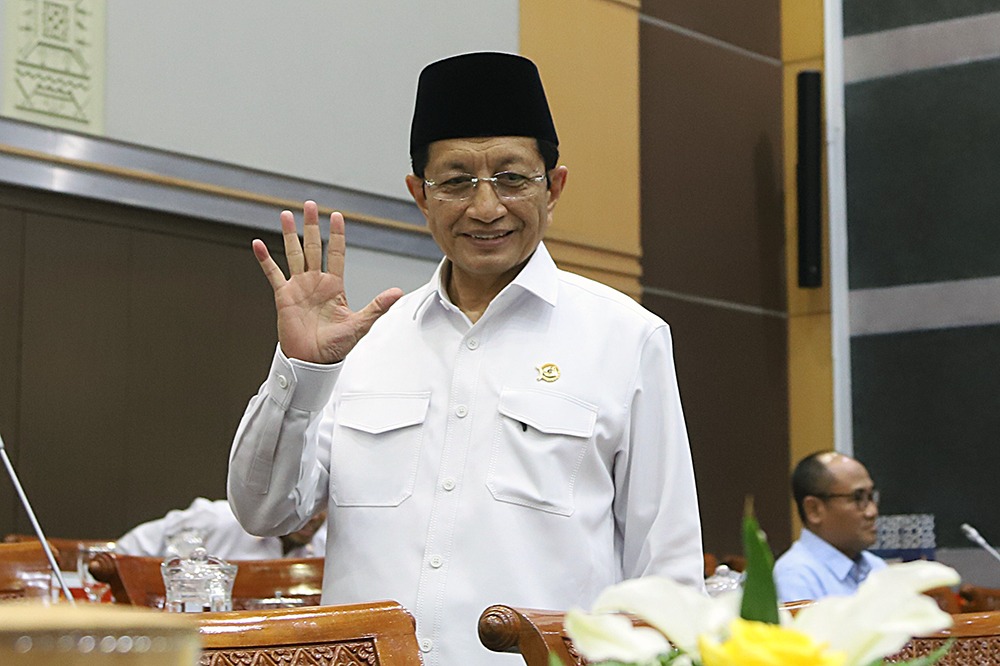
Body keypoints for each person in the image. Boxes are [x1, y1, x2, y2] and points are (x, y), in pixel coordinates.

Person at [227, 51, 703, 665]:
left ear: (554, 187)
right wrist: (302, 370)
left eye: (512, 178)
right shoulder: (369, 341)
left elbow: (667, 574)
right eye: (455, 182)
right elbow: (263, 511)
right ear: (419, 196)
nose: (485, 208)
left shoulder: (627, 337)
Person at [773, 451, 887, 603]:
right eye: (858, 498)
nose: (872, 512)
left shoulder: (876, 567)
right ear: (814, 509)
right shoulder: (795, 576)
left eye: (871, 496)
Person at [115, 497, 326, 560]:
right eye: (303, 505)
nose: (313, 517)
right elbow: (125, 551)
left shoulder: (328, 546)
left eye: (321, 507)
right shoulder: (216, 520)